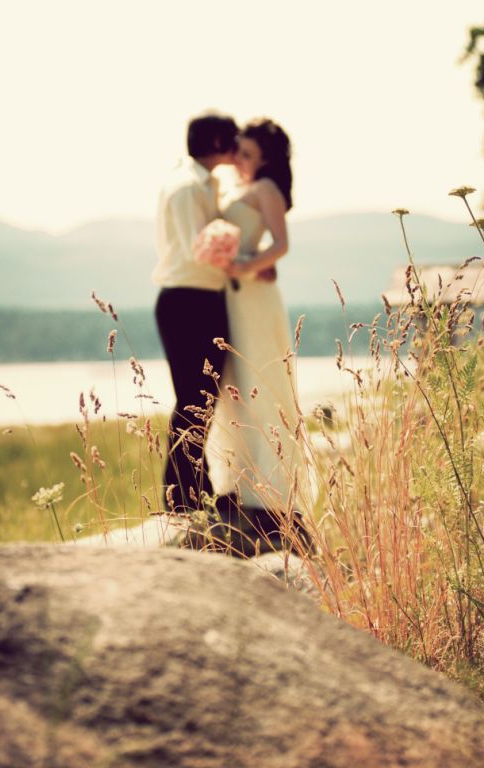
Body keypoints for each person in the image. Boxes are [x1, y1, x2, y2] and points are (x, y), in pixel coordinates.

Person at [207, 118, 311, 548]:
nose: (241, 161)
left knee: (260, 386)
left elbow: (281, 245)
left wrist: (244, 265)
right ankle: (238, 485)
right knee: (233, 387)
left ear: (266, 158)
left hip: (254, 296)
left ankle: (274, 493)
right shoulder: (234, 186)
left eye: (249, 154)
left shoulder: (265, 189)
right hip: (234, 296)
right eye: (240, 153)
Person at [152, 112, 238, 513]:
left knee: (200, 400)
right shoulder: (188, 187)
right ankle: (183, 498)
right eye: (232, 137)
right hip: (189, 300)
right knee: (194, 399)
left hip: (200, 299)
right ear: (218, 142)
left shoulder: (201, 182)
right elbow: (197, 251)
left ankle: (194, 490)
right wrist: (247, 260)